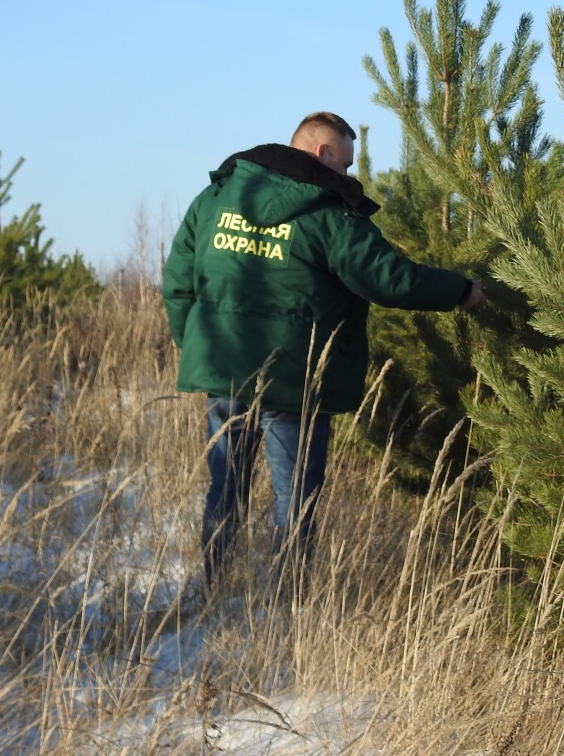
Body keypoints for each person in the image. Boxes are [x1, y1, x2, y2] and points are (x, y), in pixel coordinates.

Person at [162, 112, 484, 592]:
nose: (347, 177)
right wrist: (462, 291)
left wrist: (198, 346)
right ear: (321, 153)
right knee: (294, 500)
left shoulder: (215, 199)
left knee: (225, 487)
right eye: (346, 165)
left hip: (225, 373)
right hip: (297, 383)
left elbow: (178, 278)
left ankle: (213, 587)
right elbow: (386, 278)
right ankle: (286, 603)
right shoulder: (328, 213)